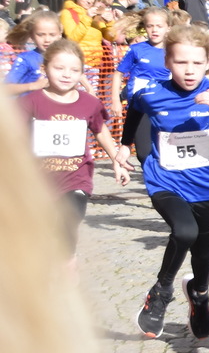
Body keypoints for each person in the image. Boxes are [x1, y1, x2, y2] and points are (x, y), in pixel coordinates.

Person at [131, 23, 209, 339]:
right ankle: (161, 290)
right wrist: (130, 150)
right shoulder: (150, 92)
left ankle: (199, 295)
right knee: (184, 231)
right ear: (167, 62)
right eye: (181, 62)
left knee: (204, 249)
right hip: (165, 180)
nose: (189, 71)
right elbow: (135, 116)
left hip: (207, 184)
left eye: (197, 63)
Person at [18, 39, 130, 258]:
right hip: (39, 180)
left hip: (76, 177)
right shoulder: (30, 102)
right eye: (59, 68)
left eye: (74, 70)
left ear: (82, 73)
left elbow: (100, 131)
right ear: (44, 69)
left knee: (71, 218)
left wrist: (117, 160)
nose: (66, 74)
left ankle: (67, 262)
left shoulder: (89, 103)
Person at [111, 8, 172, 155]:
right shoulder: (137, 49)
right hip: (139, 107)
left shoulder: (173, 50)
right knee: (143, 154)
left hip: (165, 105)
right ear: (145, 28)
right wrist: (115, 100)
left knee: (165, 151)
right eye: (150, 26)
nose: (154, 30)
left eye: (159, 26)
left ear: (168, 28)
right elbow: (118, 74)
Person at [5, 10, 63, 95]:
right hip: (26, 106)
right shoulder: (26, 59)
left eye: (52, 35)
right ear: (32, 36)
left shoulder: (65, 57)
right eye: (40, 35)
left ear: (59, 34)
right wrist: (33, 86)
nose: (47, 40)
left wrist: (88, 88)